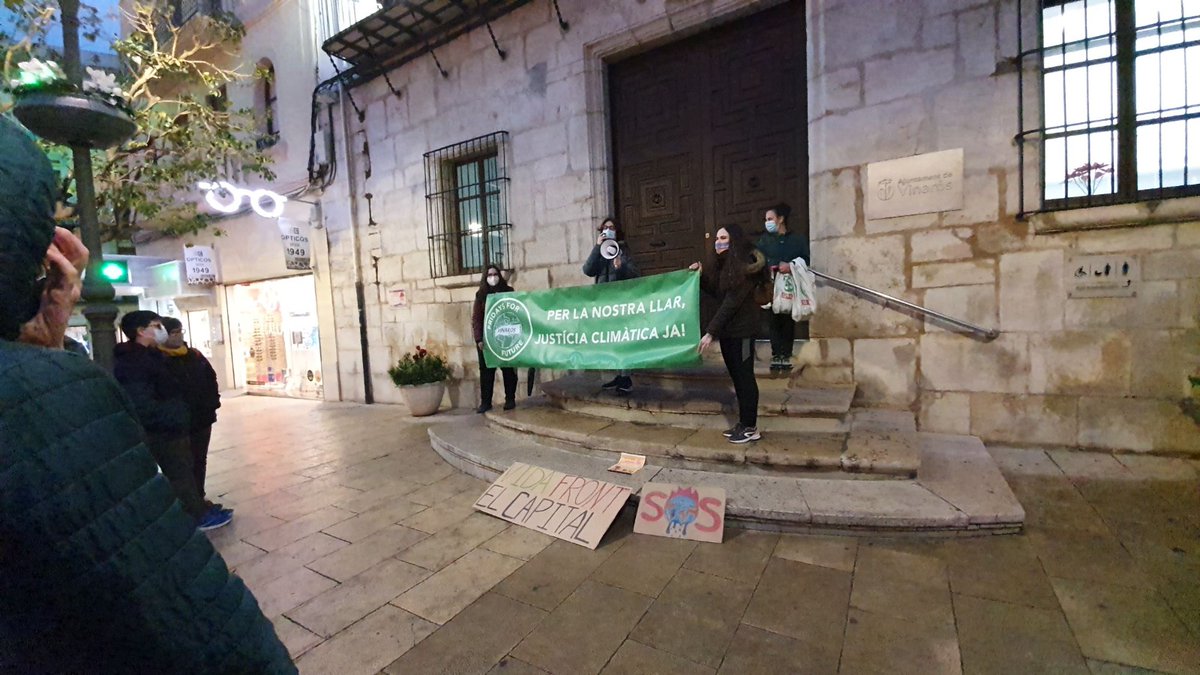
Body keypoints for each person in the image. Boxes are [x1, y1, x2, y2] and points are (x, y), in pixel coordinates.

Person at [0, 117, 294, 673]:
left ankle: (199, 503)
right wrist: (47, 352)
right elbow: (187, 612)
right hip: (171, 428)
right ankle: (195, 507)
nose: (163, 331)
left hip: (191, 421)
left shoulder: (166, 353)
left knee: (191, 475)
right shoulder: (56, 388)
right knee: (181, 479)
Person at [115, 310, 231, 530]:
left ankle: (198, 505)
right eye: (156, 326)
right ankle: (194, 515)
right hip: (166, 428)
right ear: (141, 331)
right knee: (179, 472)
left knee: (190, 466)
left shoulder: (156, 356)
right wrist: (171, 417)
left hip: (184, 421)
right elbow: (143, 401)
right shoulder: (135, 361)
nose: (163, 331)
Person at [690, 223, 767, 444]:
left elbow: (731, 304)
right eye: (717, 238)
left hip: (743, 333)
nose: (718, 242)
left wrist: (710, 332)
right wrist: (701, 277)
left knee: (745, 377)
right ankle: (743, 423)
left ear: (734, 240)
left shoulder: (746, 268)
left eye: (723, 238)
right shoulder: (725, 267)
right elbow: (718, 293)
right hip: (729, 333)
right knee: (736, 377)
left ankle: (750, 427)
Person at [160, 316, 228, 514]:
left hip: (201, 418)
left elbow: (210, 378)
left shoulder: (194, 356)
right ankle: (186, 503)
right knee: (182, 463)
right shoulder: (158, 360)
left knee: (199, 459)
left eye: (180, 331)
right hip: (177, 422)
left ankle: (199, 497)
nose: (178, 336)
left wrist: (212, 403)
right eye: (173, 332)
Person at [582, 216, 640, 394]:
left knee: (623, 340)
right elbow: (588, 270)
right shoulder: (599, 251)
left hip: (621, 302)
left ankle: (626, 378)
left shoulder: (623, 250)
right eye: (605, 228)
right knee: (612, 340)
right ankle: (619, 375)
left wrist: (621, 267)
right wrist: (597, 247)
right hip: (604, 304)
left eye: (612, 227)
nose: (608, 230)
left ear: (617, 231)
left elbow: (635, 274)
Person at [755, 202, 810, 371]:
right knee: (773, 319)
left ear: (780, 219)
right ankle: (776, 353)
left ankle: (786, 354)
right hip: (771, 285)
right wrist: (771, 264)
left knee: (787, 318)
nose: (767, 222)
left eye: (770, 219)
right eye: (766, 219)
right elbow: (757, 259)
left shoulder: (797, 239)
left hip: (790, 284)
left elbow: (806, 259)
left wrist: (791, 265)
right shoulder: (764, 240)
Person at [472, 264, 519, 413]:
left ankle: (510, 399)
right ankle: (486, 402)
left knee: (508, 370)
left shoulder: (508, 291)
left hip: (506, 337)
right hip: (487, 340)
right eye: (489, 275)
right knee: (486, 372)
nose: (493, 277)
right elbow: (477, 318)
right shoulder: (481, 295)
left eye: (495, 274)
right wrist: (479, 339)